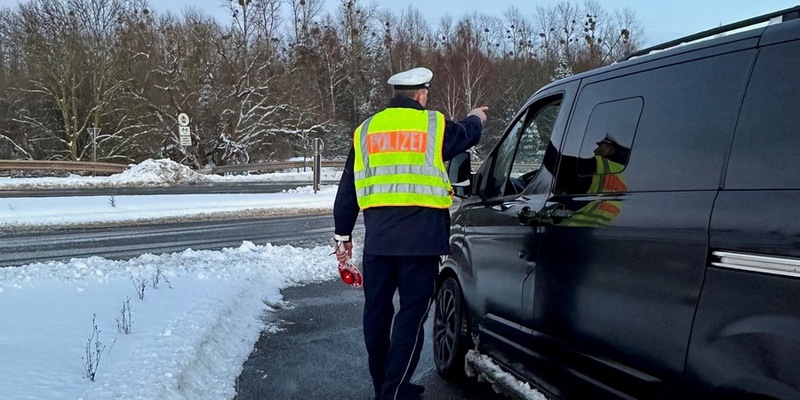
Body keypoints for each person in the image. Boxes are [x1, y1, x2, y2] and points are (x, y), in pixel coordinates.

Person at [332, 66, 487, 400]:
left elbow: (348, 187)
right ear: (421, 95)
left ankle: (383, 386)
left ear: (395, 94)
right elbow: (467, 135)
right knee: (412, 315)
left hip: (378, 242)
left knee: (376, 312)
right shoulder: (433, 124)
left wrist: (342, 234)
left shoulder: (366, 130)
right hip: (421, 243)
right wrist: (476, 117)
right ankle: (394, 390)